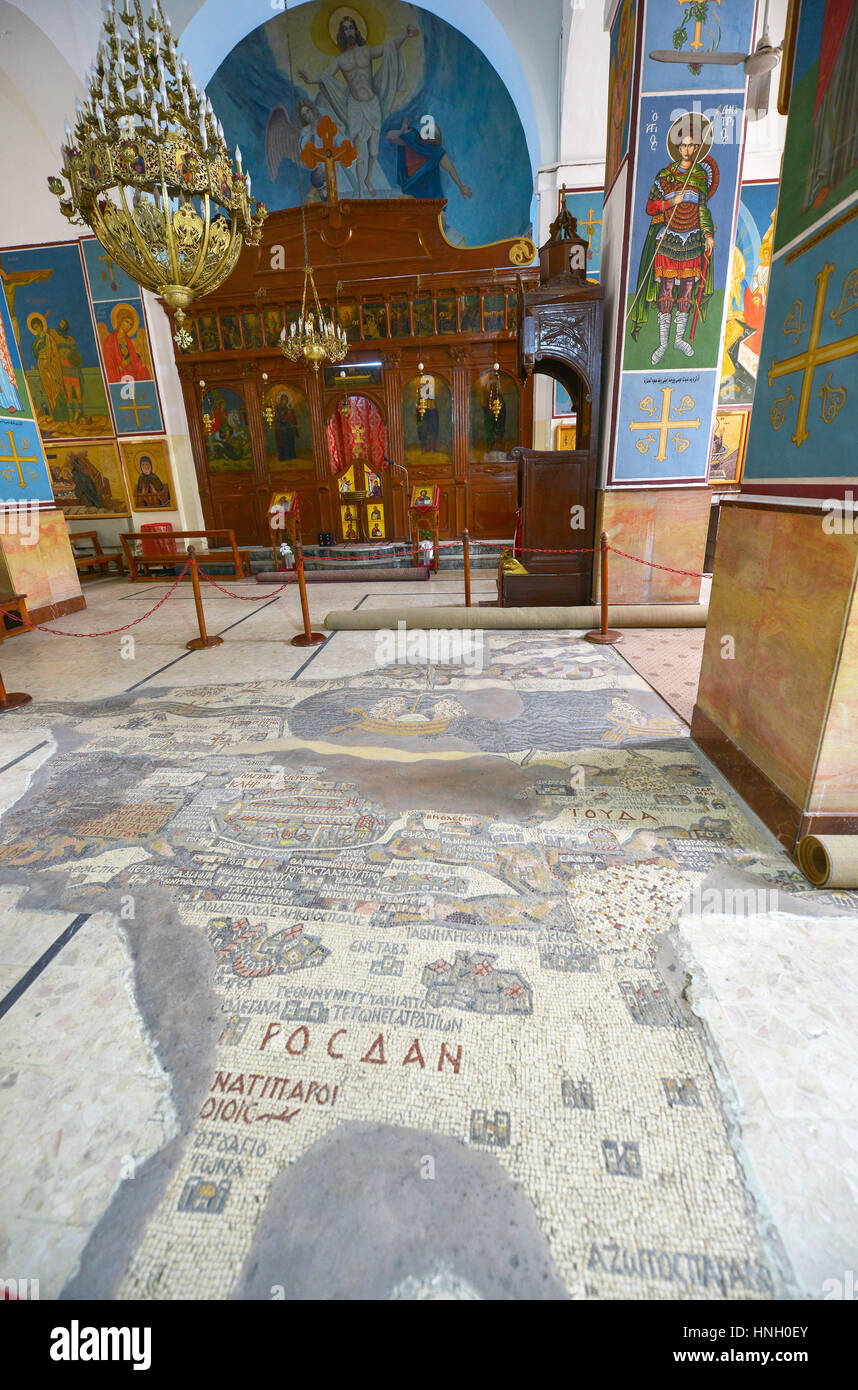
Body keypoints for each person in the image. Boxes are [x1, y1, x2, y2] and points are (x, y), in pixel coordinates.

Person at [630, 115, 717, 364]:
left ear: (695, 148)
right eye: (684, 145)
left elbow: (703, 209)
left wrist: (708, 234)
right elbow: (650, 206)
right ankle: (662, 343)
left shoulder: (699, 176)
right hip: (668, 237)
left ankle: (680, 339)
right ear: (677, 147)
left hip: (691, 239)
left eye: (692, 145)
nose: (688, 149)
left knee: (687, 290)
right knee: (666, 290)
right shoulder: (665, 175)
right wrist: (671, 201)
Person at [299, 14, 417, 194]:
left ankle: (369, 179)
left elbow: (389, 47)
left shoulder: (367, 51)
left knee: (374, 151)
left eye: (351, 27)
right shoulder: (340, 60)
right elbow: (325, 76)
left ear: (356, 29)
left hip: (372, 102)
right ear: (341, 33)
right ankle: (361, 187)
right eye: (345, 29)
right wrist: (310, 80)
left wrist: (405, 35)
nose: (349, 31)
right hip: (355, 106)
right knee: (358, 150)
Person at [386, 115, 472, 202]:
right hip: (414, 191)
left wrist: (461, 186)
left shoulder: (434, 151)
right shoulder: (413, 143)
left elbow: (450, 167)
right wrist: (402, 130)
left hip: (425, 194)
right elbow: (389, 137)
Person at [102, 303, 149, 382]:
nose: (129, 326)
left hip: (131, 370)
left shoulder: (128, 340)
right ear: (120, 320)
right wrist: (121, 366)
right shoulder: (110, 340)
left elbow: (134, 358)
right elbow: (109, 365)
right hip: (119, 372)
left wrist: (135, 359)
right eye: (127, 322)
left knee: (145, 370)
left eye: (131, 324)